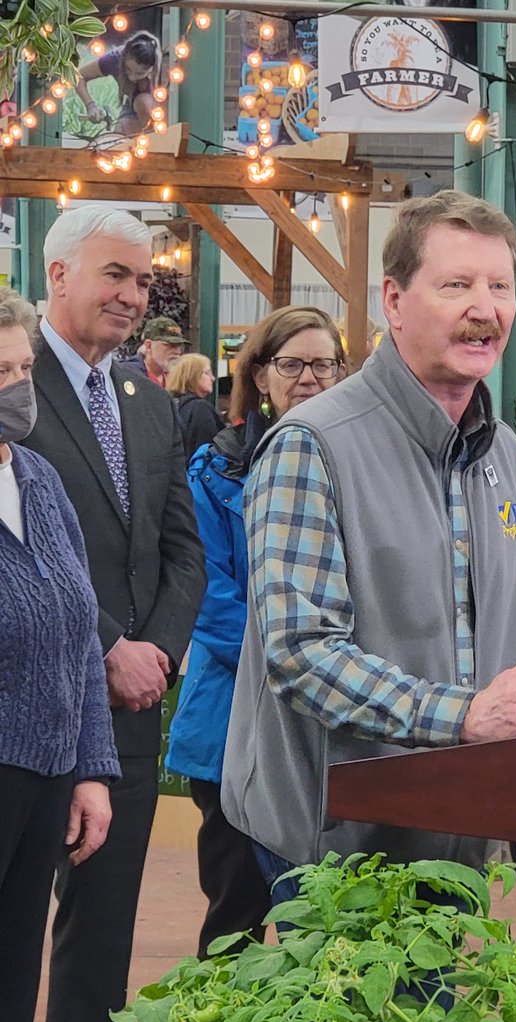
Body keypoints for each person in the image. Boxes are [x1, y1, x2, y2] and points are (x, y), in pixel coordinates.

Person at [220, 189, 516, 898]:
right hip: (336, 852)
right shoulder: (313, 444)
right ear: (394, 301)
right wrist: (465, 715)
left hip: (461, 832)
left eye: (500, 287)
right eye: (457, 285)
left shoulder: (502, 454)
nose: (485, 308)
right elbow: (300, 652)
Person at [21, 204, 205, 1022]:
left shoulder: (146, 401)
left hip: (127, 721)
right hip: (29, 710)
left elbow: (185, 547)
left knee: (101, 936)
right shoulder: (15, 387)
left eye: (143, 281)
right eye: (116, 276)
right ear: (57, 275)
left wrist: (156, 653)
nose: (134, 296)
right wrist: (106, 648)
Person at [166, 308, 345, 956]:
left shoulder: (356, 464)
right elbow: (208, 599)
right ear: (260, 375)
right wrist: (305, 653)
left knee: (325, 925)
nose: (309, 377)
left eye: (323, 363)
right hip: (235, 720)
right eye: (291, 364)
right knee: (236, 912)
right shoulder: (213, 474)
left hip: (329, 730)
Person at [0, 288, 118, 1022]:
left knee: (13, 970)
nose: (17, 388)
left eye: (21, 369)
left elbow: (83, 634)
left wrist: (90, 769)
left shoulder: (36, 478)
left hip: (44, 770)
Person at [74, 30, 163, 137]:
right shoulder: (114, 58)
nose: (131, 77)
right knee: (118, 141)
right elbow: (79, 77)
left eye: (139, 74)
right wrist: (90, 106)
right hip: (131, 104)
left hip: (158, 111)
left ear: (152, 69)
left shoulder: (166, 70)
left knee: (144, 102)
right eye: (128, 69)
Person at [166, 352, 223, 460]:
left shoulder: (172, 404)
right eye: (207, 373)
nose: (212, 378)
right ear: (192, 376)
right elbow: (207, 451)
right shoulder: (200, 408)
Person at [121, 315, 188, 386]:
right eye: (170, 346)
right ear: (149, 346)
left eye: (179, 346)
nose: (178, 352)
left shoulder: (179, 379)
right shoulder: (127, 375)